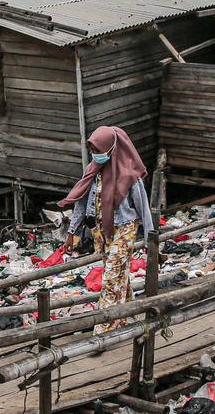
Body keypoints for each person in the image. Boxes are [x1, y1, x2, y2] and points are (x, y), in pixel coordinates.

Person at [58, 126, 155, 334]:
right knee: (119, 274)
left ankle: (104, 328)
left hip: (124, 229)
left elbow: (143, 207)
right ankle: (127, 316)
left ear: (111, 148)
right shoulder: (93, 171)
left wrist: (150, 238)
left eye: (99, 150)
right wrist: (71, 232)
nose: (96, 155)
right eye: (93, 150)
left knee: (111, 277)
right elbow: (81, 204)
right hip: (101, 232)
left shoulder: (129, 174)